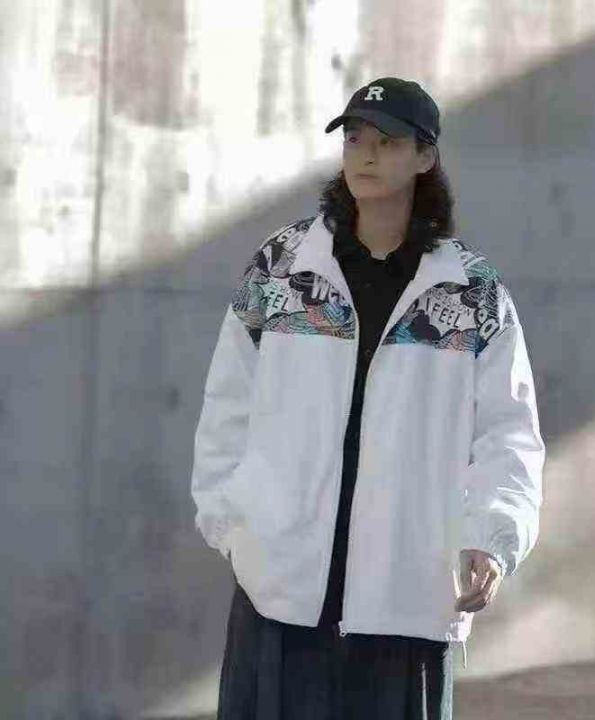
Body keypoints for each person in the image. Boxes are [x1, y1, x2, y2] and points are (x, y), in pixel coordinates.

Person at [190, 76, 545, 719]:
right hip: (281, 590)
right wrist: (234, 525)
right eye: (354, 138)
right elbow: (228, 402)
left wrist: (493, 537)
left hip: (404, 596)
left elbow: (509, 431)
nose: (366, 155)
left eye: (387, 141)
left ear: (425, 157)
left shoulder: (471, 292)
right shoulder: (283, 268)